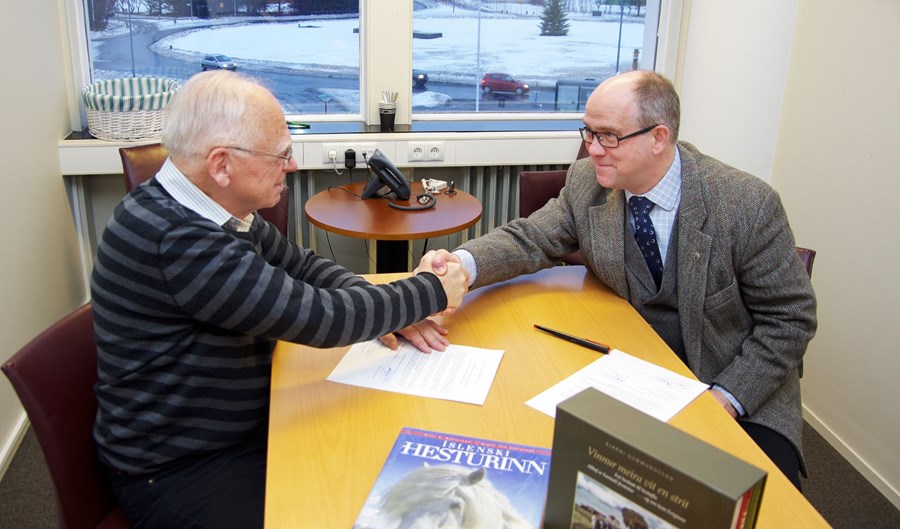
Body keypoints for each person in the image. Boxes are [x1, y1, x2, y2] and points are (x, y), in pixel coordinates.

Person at [90, 70, 468, 529]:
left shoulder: (211, 207)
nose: (291, 166)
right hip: (180, 467)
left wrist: (381, 304)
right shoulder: (177, 239)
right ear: (221, 164)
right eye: (280, 155)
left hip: (238, 426)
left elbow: (302, 266)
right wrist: (428, 291)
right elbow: (318, 319)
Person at [434, 70, 817, 488]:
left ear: (658, 137)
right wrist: (459, 265)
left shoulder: (746, 204)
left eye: (609, 136)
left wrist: (725, 399)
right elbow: (531, 237)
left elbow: (791, 318)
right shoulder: (587, 183)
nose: (593, 150)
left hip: (732, 382)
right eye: (589, 133)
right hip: (634, 370)